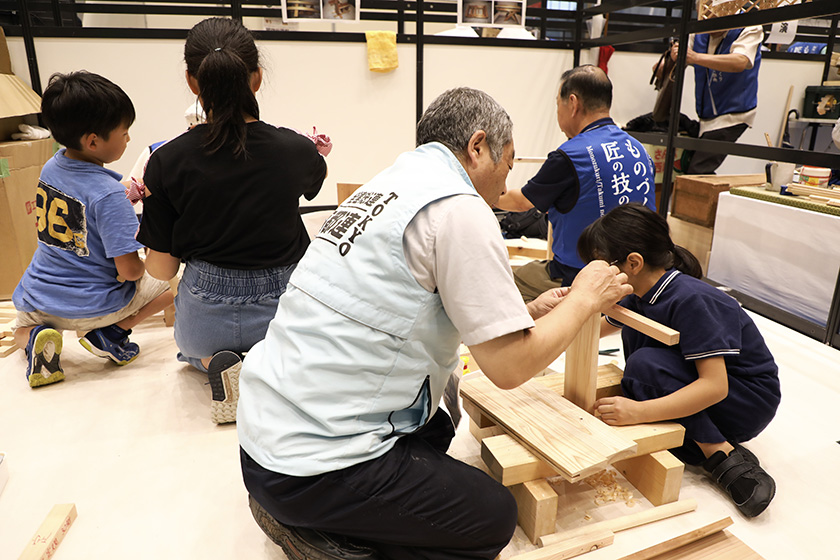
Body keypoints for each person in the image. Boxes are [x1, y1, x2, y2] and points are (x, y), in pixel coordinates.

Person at [237, 87, 632, 560]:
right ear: (478, 146)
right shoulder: (460, 207)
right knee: (492, 519)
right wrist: (585, 299)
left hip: (264, 438)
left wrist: (523, 315)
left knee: (437, 427)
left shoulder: (390, 182)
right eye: (508, 161)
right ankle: (324, 539)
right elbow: (508, 369)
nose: (507, 180)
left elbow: (409, 307)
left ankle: (302, 511)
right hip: (310, 466)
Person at [136, 17, 327, 424]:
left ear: (193, 81)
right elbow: (312, 184)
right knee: (298, 352)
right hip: (284, 307)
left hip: (206, 313)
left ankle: (217, 362)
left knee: (190, 352)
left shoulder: (166, 161)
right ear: (255, 78)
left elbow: (161, 267)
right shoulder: (295, 150)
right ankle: (268, 366)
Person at [578, 203, 780, 518]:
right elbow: (592, 326)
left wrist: (638, 411)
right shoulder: (639, 294)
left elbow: (715, 387)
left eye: (601, 267)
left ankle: (720, 453)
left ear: (633, 263)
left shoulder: (691, 299)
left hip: (744, 400)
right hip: (702, 388)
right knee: (643, 367)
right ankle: (698, 439)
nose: (596, 276)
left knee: (645, 365)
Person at [12, 71, 173, 388]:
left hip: (38, 296)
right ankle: (114, 332)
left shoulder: (52, 165)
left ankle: (34, 340)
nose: (128, 139)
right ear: (93, 141)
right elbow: (129, 272)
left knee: (21, 329)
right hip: (94, 306)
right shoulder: (109, 196)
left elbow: (85, 201)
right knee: (178, 277)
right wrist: (150, 255)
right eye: (124, 133)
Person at [495, 65, 656, 303]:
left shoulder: (572, 155)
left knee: (507, 281)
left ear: (572, 103)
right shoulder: (639, 149)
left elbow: (521, 202)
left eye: (557, 104)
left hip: (582, 279)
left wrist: (480, 191)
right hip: (637, 279)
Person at [672, 16, 763, 174]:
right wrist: (675, 54)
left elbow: (740, 61)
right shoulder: (698, 32)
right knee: (688, 166)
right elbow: (681, 54)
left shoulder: (749, 26)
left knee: (698, 171)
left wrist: (695, 57)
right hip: (705, 116)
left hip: (733, 115)